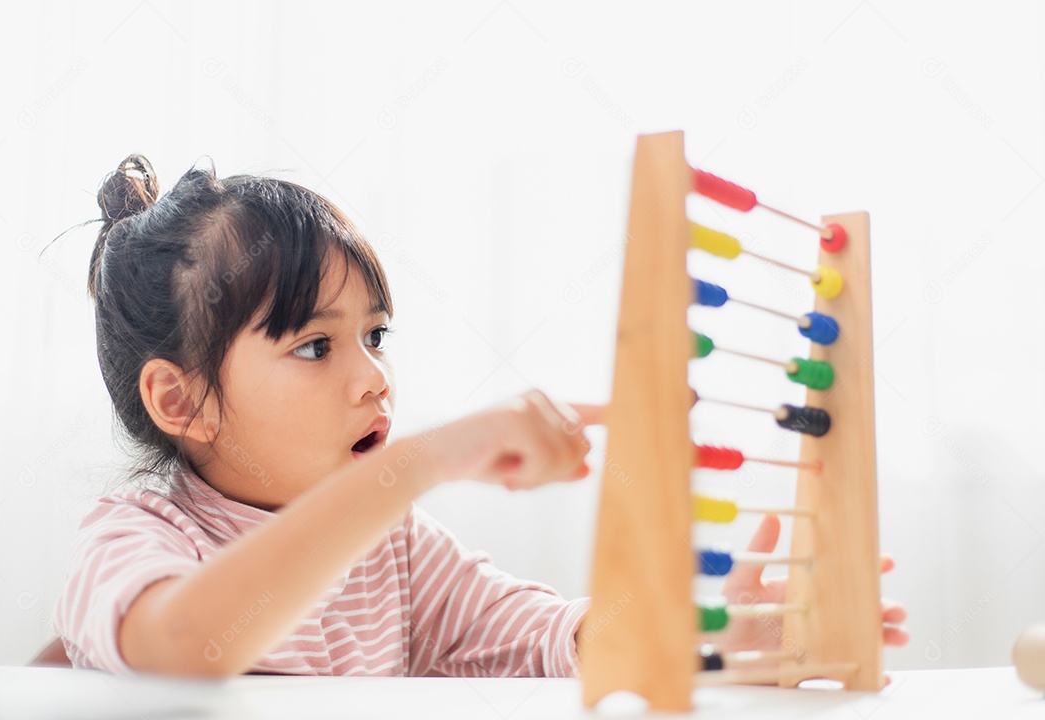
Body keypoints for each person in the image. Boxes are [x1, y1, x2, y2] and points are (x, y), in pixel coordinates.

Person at [52, 154, 905, 679]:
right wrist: (413, 463)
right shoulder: (134, 536)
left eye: (376, 336)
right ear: (182, 399)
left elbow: (556, 639)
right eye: (316, 346)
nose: (374, 378)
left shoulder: (398, 548)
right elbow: (188, 645)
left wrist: (710, 635)